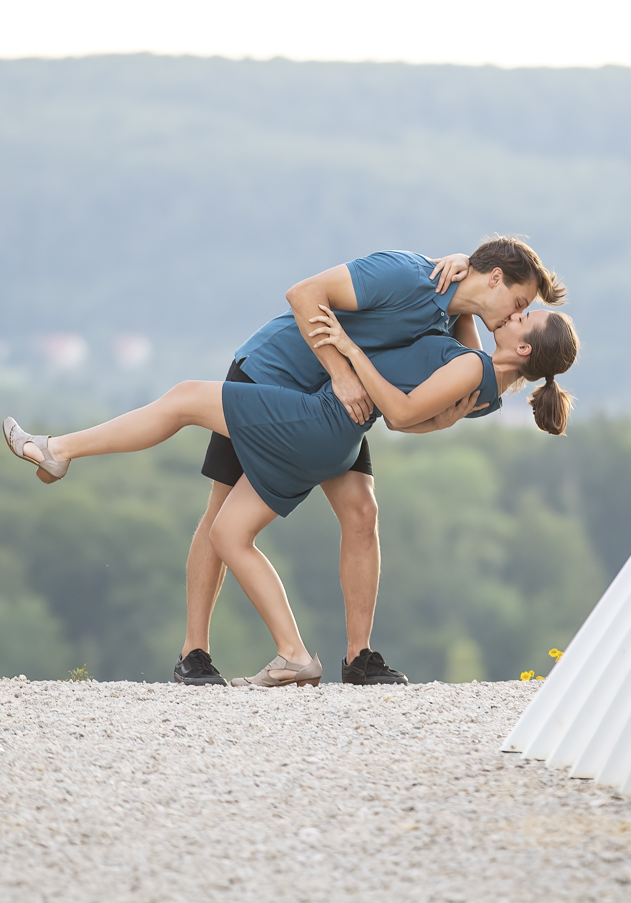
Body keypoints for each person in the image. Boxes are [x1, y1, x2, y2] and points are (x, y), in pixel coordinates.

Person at [0, 305, 579, 688]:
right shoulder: (487, 385)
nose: (516, 312)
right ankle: (263, 653)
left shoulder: (473, 369)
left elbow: (406, 410)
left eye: (525, 315)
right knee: (238, 525)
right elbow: (423, 410)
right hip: (330, 418)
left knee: (187, 418)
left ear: (524, 350)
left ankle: (61, 449)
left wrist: (352, 360)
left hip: (315, 409)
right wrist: (469, 305)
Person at [178, 238, 566, 688]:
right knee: (220, 512)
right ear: (496, 278)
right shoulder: (409, 275)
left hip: (334, 406)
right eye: (519, 302)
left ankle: (358, 658)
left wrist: (429, 416)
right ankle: (194, 653)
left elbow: (458, 380)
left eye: (526, 312)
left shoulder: (450, 314)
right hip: (274, 372)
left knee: (363, 513)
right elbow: (303, 294)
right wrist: (343, 374)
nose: (517, 314)